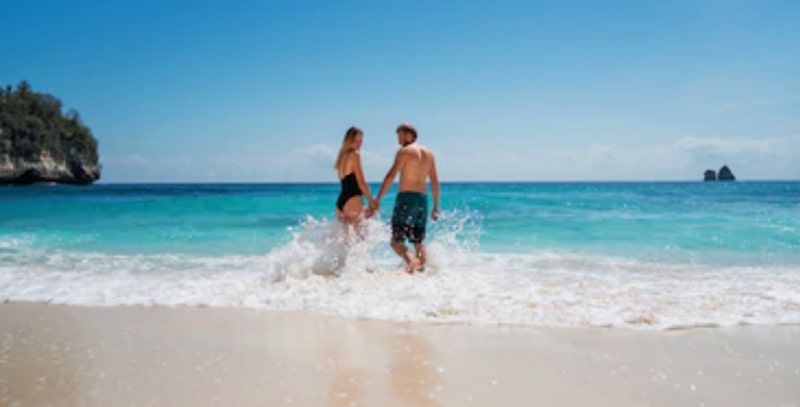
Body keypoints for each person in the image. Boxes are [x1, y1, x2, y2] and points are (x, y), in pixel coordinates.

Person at [371, 123, 440, 273]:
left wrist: (378, 199)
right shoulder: (429, 153)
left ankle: (411, 261)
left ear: (409, 135)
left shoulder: (405, 151)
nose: (398, 140)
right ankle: (422, 273)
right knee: (418, 241)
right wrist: (435, 206)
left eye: (400, 135)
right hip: (423, 199)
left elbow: (390, 176)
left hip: (406, 198)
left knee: (396, 242)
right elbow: (434, 181)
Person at [334, 126, 374, 229]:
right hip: (352, 200)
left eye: (361, 141)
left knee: (347, 242)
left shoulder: (342, 157)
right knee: (360, 240)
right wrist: (371, 201)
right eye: (356, 140)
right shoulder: (355, 155)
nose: (359, 143)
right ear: (349, 141)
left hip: (341, 203)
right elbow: (361, 182)